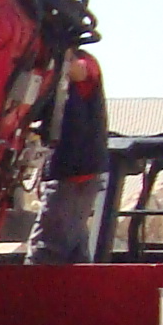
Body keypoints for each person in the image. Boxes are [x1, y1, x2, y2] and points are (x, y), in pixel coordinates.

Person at [31, 48, 109, 265]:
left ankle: (31, 295)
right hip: (75, 172)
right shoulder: (55, 86)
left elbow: (80, 70)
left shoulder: (82, 66)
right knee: (74, 249)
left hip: (73, 175)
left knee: (46, 250)